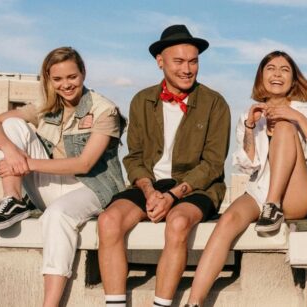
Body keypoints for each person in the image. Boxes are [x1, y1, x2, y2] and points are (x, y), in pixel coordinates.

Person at [96, 24, 231, 307]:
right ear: (160, 62)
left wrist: (172, 196)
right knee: (108, 221)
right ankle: (115, 304)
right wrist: (149, 191)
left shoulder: (215, 103)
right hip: (150, 185)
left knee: (178, 222)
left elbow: (213, 164)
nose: (187, 69)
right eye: (179, 61)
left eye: (193, 61)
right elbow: (134, 157)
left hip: (196, 186)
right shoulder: (141, 100)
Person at [0, 46, 125, 307]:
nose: (66, 85)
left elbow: (85, 163)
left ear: (83, 73)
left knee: (57, 215)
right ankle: (12, 200)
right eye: (57, 79)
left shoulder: (105, 110)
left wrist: (26, 164)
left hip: (93, 188)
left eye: (72, 77)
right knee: (12, 125)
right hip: (52, 183)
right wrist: (11, 153)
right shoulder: (46, 107)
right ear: (48, 79)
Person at [184, 50, 307, 306]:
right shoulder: (250, 116)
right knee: (228, 221)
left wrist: (295, 117)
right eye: (270, 68)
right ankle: (194, 301)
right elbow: (248, 164)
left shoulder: (305, 111)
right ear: (261, 76)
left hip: (296, 193)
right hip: (260, 189)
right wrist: (249, 126)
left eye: (284, 69)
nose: (277, 73)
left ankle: (273, 205)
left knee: (285, 128)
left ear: (293, 80)